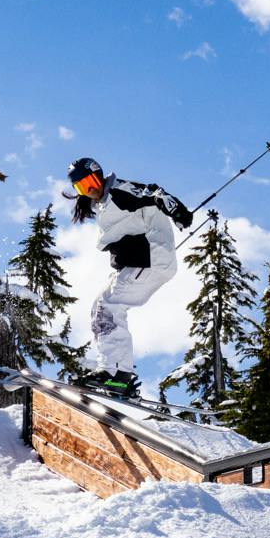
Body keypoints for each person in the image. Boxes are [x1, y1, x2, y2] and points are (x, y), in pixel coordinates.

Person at [65, 157, 193, 396]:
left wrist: (177, 211)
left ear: (99, 175)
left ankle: (115, 373)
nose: (89, 190)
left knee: (108, 307)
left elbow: (154, 194)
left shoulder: (120, 191)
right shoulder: (103, 204)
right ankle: (118, 374)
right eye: (82, 187)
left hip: (149, 259)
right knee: (100, 308)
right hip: (138, 263)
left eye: (91, 182)